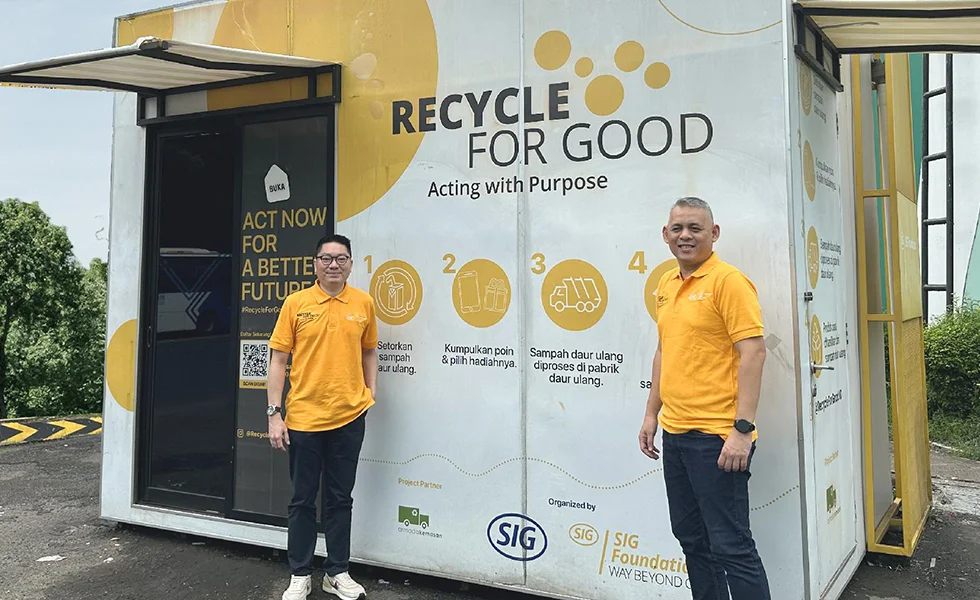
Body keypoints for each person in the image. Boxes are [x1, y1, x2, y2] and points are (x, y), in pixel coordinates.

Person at [638, 197, 771, 599]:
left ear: (714, 234)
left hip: (717, 438)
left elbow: (754, 352)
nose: (686, 236)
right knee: (692, 539)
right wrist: (651, 414)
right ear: (665, 235)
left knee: (732, 547)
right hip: (676, 434)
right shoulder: (667, 284)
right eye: (678, 228)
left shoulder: (728, 282)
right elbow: (664, 351)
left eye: (695, 228)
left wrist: (741, 430)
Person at [267, 233, 378, 600]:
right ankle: (300, 574)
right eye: (326, 258)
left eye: (341, 258)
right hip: (304, 419)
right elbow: (278, 361)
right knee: (302, 500)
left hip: (349, 417)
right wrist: (274, 414)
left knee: (340, 498)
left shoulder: (363, 303)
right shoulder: (296, 303)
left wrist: (370, 392)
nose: (334, 264)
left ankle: (337, 572)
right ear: (315, 264)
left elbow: (369, 351)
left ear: (351, 264)